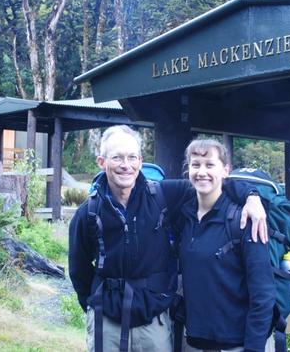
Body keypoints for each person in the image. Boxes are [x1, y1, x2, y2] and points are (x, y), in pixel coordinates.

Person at [68, 125, 267, 352]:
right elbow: (78, 270)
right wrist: (93, 305)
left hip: (155, 320)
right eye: (117, 158)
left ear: (141, 161)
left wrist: (252, 196)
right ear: (102, 162)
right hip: (107, 319)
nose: (126, 165)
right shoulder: (88, 212)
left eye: (132, 157)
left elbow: (211, 182)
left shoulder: (163, 194)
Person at [179, 139, 275, 352]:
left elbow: (263, 295)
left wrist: (253, 349)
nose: (202, 172)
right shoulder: (184, 215)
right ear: (188, 170)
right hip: (195, 342)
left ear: (225, 170)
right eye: (196, 165)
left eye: (210, 165)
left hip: (238, 344)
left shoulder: (245, 220)